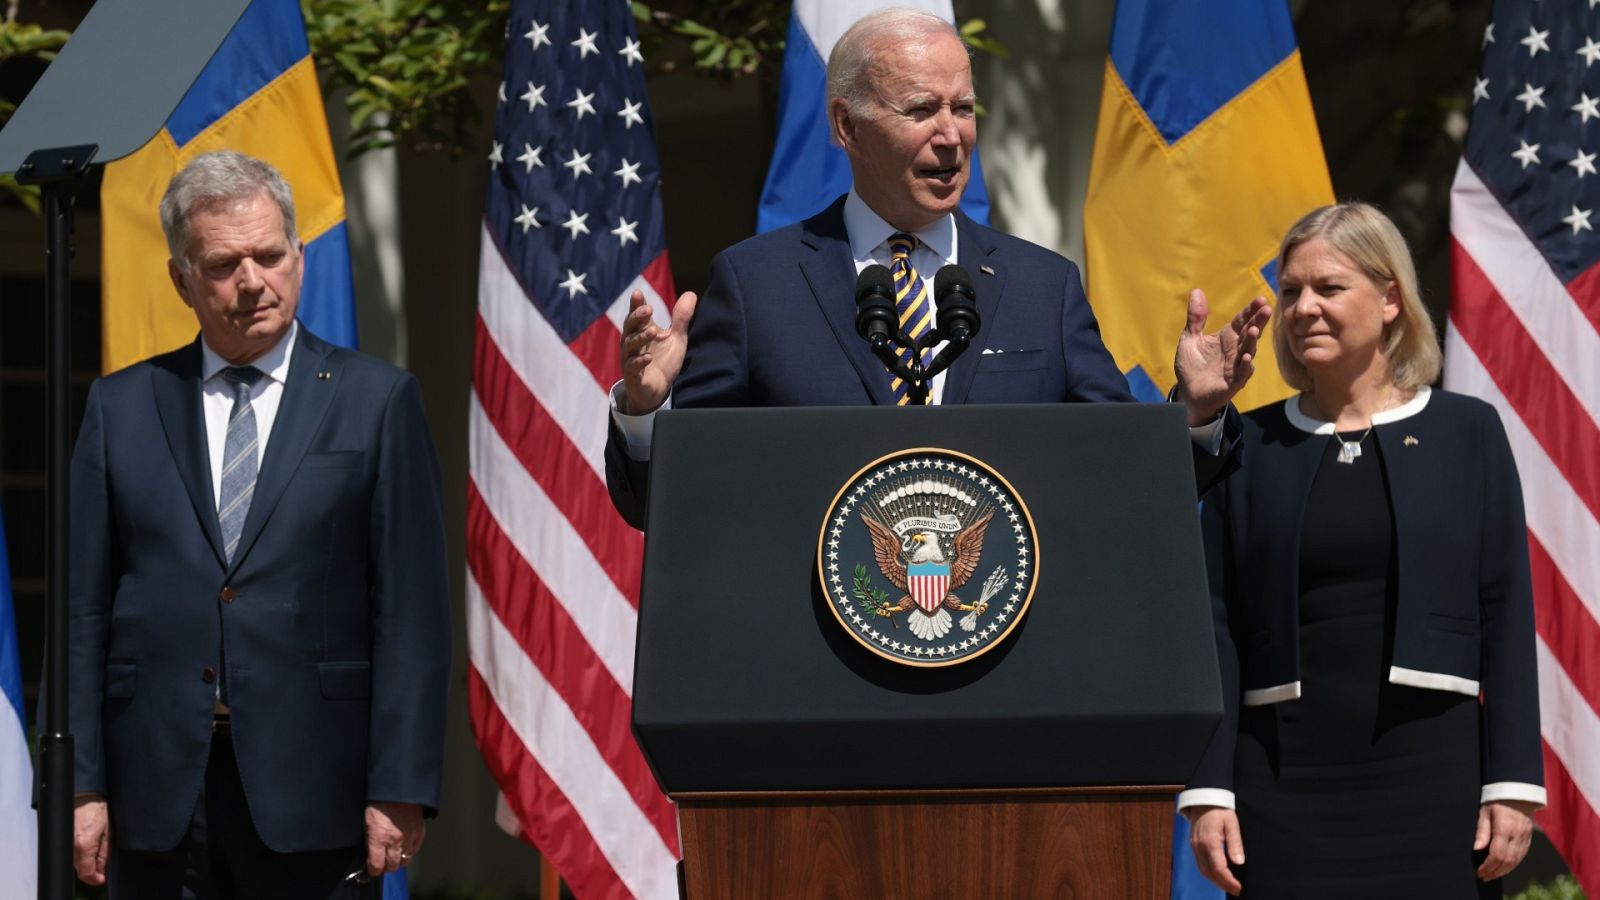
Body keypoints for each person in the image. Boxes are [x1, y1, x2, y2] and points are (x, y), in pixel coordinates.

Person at [605, 7, 1271, 526]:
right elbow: (671, 505)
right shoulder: (757, 287)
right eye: (921, 110)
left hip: (1004, 658)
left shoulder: (1044, 288)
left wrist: (1195, 411)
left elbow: (1125, 478)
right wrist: (647, 409)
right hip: (818, 662)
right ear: (846, 126)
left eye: (962, 107)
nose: (951, 135)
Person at [67, 151, 451, 898]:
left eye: (270, 256)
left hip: (318, 790)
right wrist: (82, 786)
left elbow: (411, 613)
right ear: (181, 279)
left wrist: (401, 784)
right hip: (156, 795)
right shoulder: (120, 409)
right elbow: (83, 611)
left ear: (299, 257)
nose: (252, 282)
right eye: (223, 263)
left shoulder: (377, 401)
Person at [1180, 202, 1544, 898]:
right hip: (1280, 785)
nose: (1304, 308)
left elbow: (1505, 608)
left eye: (1328, 287)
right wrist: (1210, 789)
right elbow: (1212, 621)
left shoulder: (1467, 432)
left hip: (1436, 783)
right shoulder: (1248, 443)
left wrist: (1512, 783)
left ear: (1389, 299)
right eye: (1290, 291)